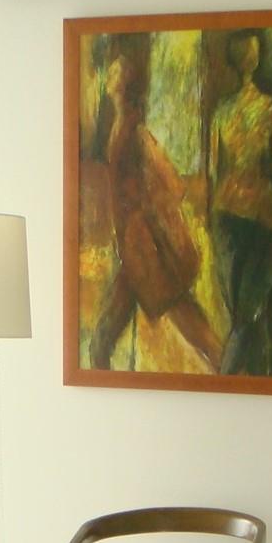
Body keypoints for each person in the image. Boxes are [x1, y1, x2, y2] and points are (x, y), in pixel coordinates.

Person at [89, 53, 222, 372]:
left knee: (188, 321)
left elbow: (173, 183)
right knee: (105, 335)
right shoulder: (120, 127)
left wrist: (147, 212)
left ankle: (228, 370)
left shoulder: (136, 132)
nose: (110, 78)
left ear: (124, 85)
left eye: (116, 73)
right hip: (135, 250)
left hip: (148, 251)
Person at [209, 31, 272, 375]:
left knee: (247, 313)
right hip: (261, 213)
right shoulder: (271, 108)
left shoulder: (221, 112)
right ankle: (225, 381)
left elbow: (214, 169)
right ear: (255, 58)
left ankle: (245, 383)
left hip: (225, 214)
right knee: (249, 315)